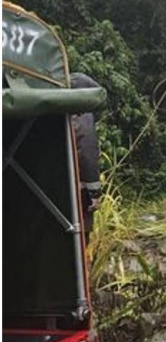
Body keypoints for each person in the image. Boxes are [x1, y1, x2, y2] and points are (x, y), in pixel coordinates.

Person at [70, 73, 102, 244]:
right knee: (80, 241)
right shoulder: (83, 115)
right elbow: (87, 153)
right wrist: (94, 193)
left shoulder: (53, 111)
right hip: (78, 196)